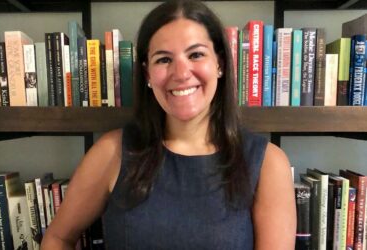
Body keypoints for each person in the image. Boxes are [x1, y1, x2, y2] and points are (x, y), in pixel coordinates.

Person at [41, 0, 296, 249]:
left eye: (196, 54)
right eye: (164, 59)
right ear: (148, 74)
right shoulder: (112, 152)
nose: (181, 73)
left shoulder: (268, 164)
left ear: (219, 64)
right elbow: (58, 238)